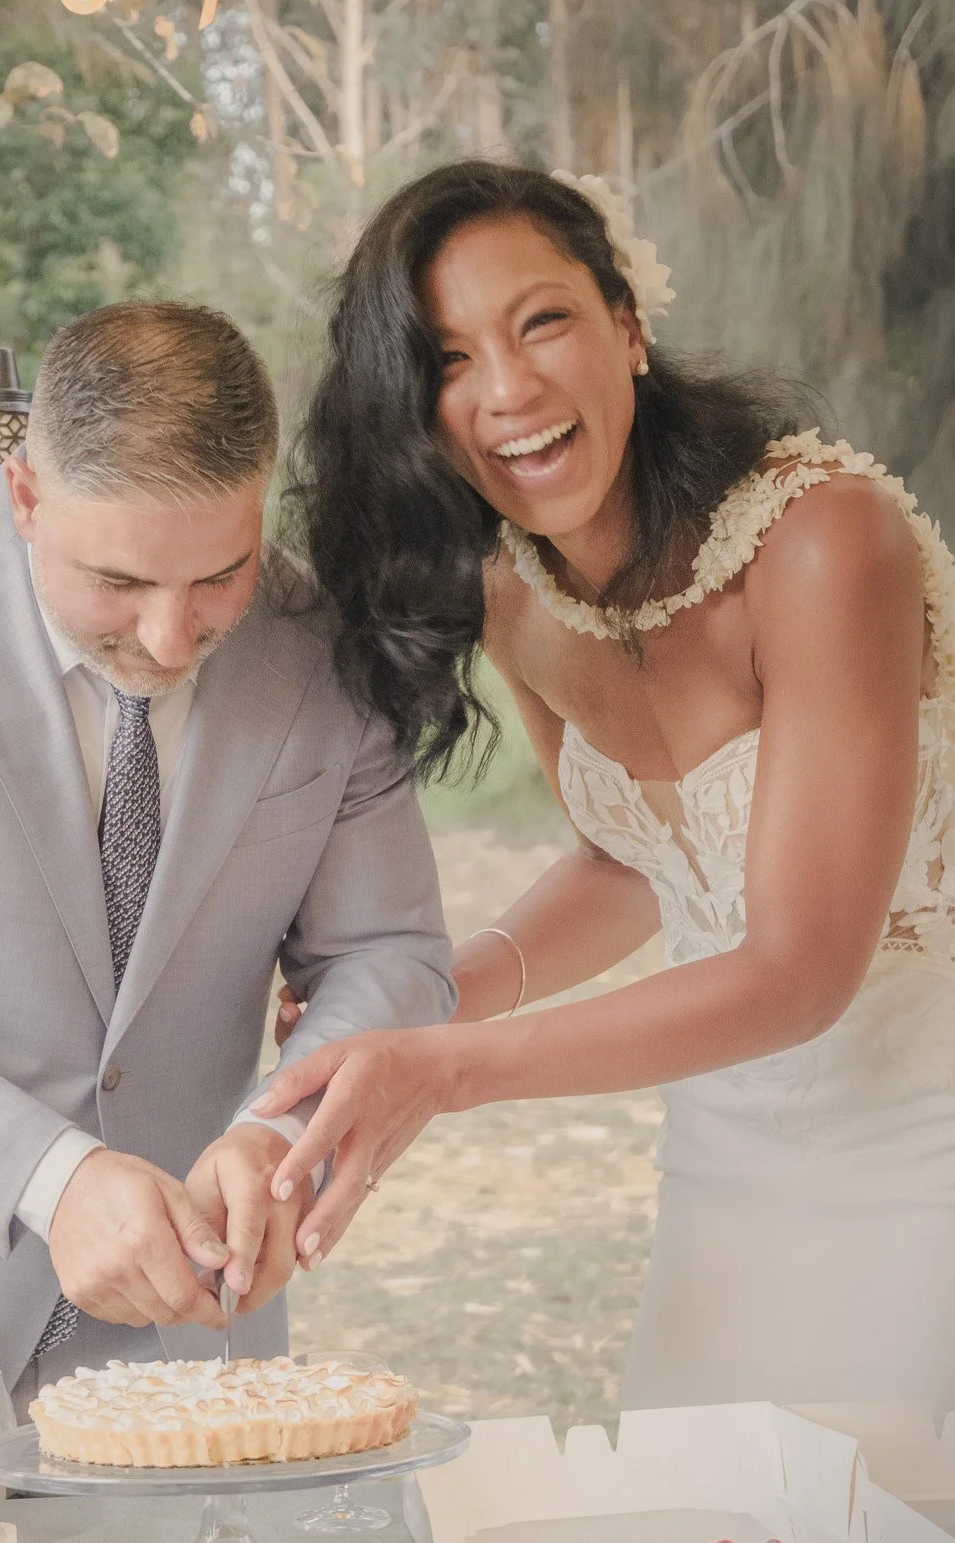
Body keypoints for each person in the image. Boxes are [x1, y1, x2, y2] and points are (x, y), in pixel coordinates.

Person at [254, 161, 955, 1409]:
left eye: (543, 321)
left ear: (628, 328)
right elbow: (637, 857)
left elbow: (800, 966)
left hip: (928, 1144)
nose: (509, 389)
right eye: (449, 360)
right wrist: (421, 999)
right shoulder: (519, 596)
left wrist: (448, 1070)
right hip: (728, 1153)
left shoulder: (825, 541)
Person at [0, 300, 453, 1410]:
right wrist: (50, 1178)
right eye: (118, 583)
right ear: (25, 494)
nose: (169, 637)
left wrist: (278, 1134)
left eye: (219, 577)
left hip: (193, 1336)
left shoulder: (328, 654)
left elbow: (390, 954)